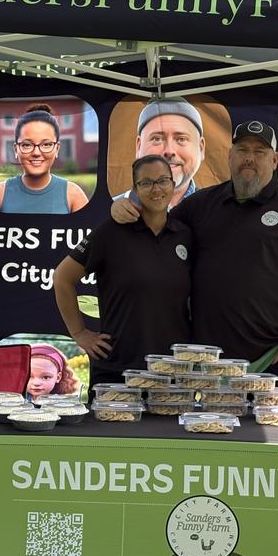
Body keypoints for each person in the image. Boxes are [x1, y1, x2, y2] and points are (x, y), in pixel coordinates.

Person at [113, 119, 278, 404]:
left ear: (274, 160)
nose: (249, 158)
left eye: (260, 152)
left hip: (275, 362)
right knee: (207, 433)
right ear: (229, 156)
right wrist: (124, 205)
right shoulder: (201, 205)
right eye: (242, 150)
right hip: (210, 369)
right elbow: (156, 223)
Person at [56, 155, 193, 387]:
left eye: (163, 180)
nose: (156, 189)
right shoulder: (111, 232)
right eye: (146, 183)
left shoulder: (186, 235)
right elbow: (62, 277)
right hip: (118, 369)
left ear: (172, 184)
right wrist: (79, 333)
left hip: (172, 371)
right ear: (135, 189)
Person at [0, 104, 89, 214]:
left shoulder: (74, 195)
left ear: (57, 149)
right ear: (16, 149)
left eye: (46, 144)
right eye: (27, 145)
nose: (36, 153)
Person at [113, 97, 205, 209]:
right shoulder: (106, 211)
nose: (169, 151)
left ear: (201, 148)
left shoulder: (218, 212)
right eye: (157, 139)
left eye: (181, 139)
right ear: (139, 146)